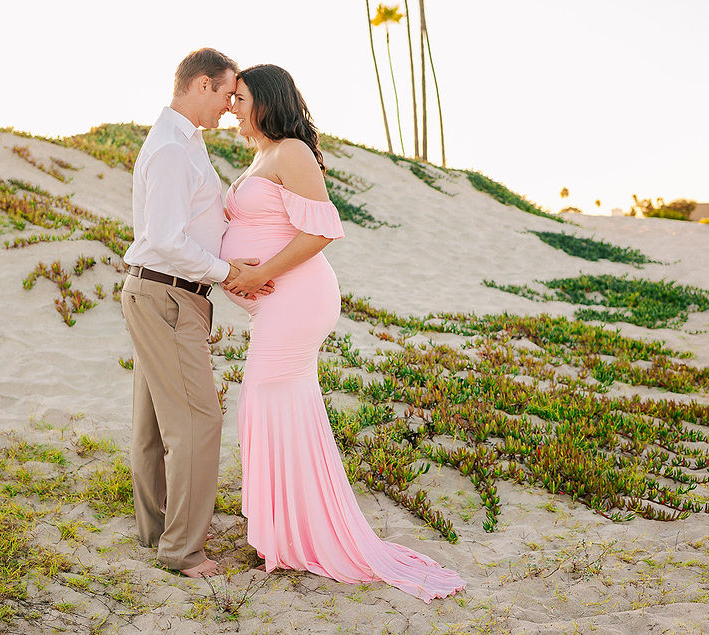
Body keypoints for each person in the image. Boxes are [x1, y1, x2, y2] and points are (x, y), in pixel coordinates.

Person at [220, 64, 465, 601]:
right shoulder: (261, 155)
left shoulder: (291, 152)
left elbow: (322, 229)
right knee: (272, 401)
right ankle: (284, 529)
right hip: (278, 300)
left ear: (265, 99)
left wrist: (260, 273)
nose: (231, 106)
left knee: (269, 396)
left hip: (298, 295)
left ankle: (300, 533)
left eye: (239, 97)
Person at [121, 48, 272, 579]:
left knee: (154, 422)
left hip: (161, 294)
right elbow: (165, 240)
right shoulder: (170, 149)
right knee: (197, 421)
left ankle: (156, 529)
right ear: (202, 85)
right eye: (229, 92)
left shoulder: (185, 142)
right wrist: (226, 270)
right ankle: (183, 550)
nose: (231, 105)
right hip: (167, 294)